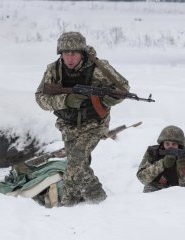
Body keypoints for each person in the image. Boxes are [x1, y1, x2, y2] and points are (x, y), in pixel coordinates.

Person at [35, 32, 130, 206]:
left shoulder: (99, 68)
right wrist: (65, 100)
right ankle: (91, 197)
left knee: (76, 158)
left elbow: (123, 88)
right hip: (68, 124)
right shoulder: (54, 70)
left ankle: (74, 200)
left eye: (74, 54)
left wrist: (110, 99)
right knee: (78, 163)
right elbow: (40, 99)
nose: (69, 58)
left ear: (82, 53)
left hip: (94, 123)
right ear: (60, 53)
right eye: (66, 53)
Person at [136, 125, 185, 193]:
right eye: (167, 144)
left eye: (174, 144)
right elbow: (142, 178)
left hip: (178, 190)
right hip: (156, 188)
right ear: (163, 144)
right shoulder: (153, 152)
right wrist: (162, 164)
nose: (170, 147)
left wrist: (182, 166)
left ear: (179, 145)